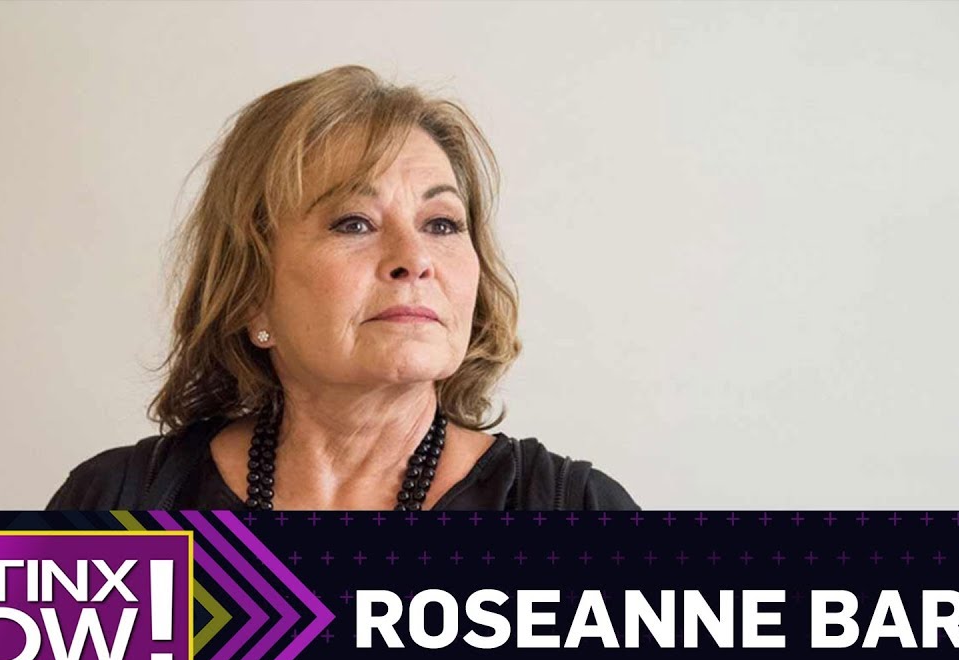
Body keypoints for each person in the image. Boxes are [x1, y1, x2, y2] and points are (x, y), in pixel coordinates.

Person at [47, 65, 640, 511]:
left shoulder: (575, 510)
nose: (415, 260)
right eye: (354, 223)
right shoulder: (114, 506)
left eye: (441, 224)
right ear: (251, 290)